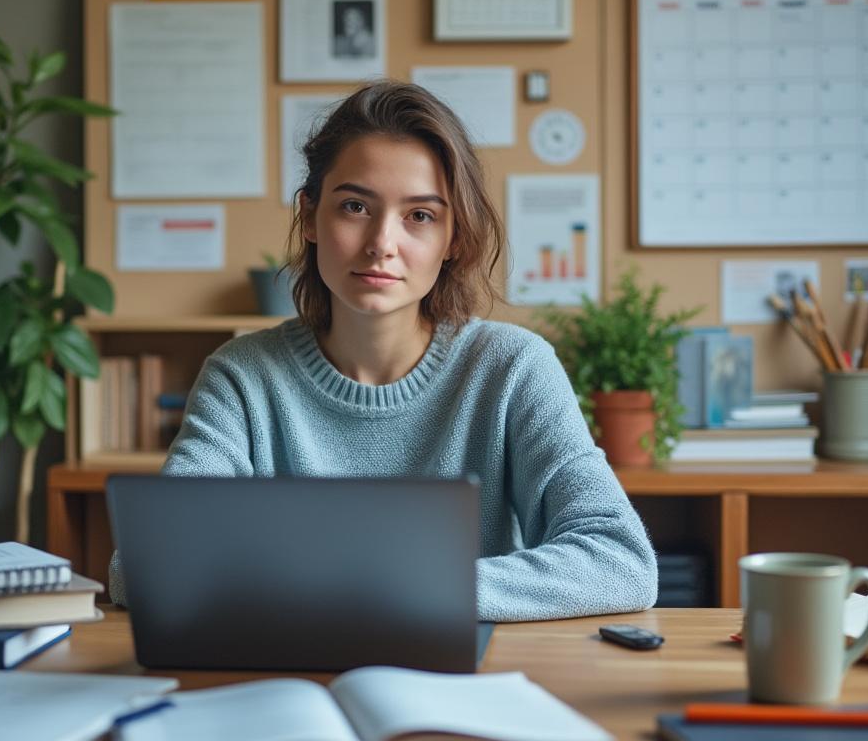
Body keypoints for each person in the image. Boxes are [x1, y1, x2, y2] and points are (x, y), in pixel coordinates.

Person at [109, 81, 657, 621]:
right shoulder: (242, 377)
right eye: (354, 206)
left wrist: (404, 589)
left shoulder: (513, 368)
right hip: (286, 676)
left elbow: (621, 561)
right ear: (310, 218)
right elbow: (143, 566)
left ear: (455, 239)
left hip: (464, 683)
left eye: (420, 216)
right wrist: (375, 588)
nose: (381, 244)